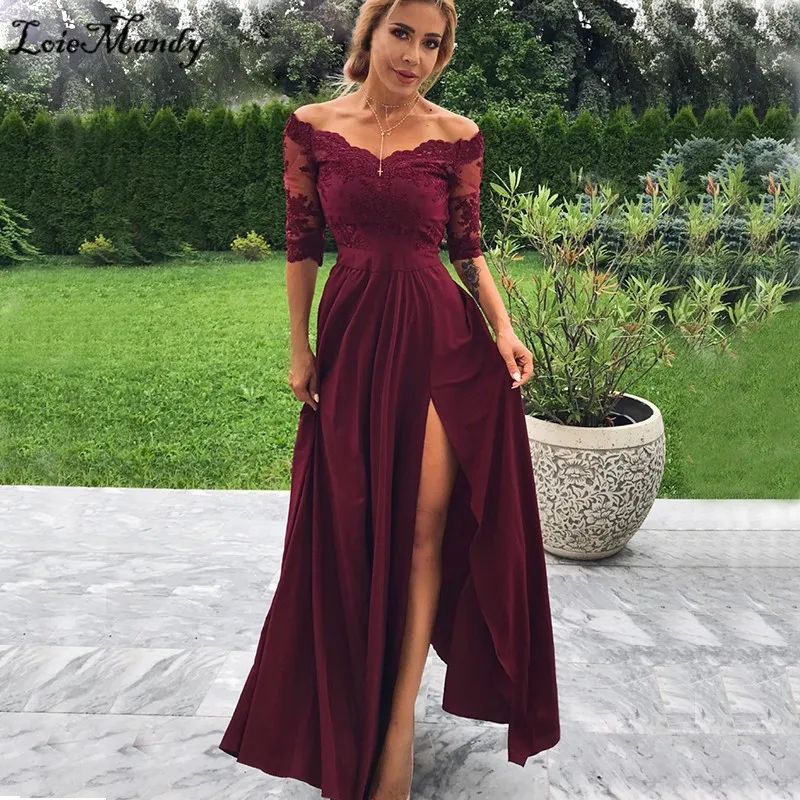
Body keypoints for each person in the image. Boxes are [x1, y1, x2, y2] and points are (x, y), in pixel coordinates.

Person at [218, 0, 560, 797]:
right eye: (401, 33)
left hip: (439, 341)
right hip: (353, 336)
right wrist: (299, 345)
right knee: (350, 524)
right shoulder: (311, 128)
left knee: (421, 531)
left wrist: (505, 328)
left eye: (432, 43)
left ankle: (398, 723)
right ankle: (350, 701)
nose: (415, 55)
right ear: (369, 32)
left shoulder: (457, 135)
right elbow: (303, 243)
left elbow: (469, 249)